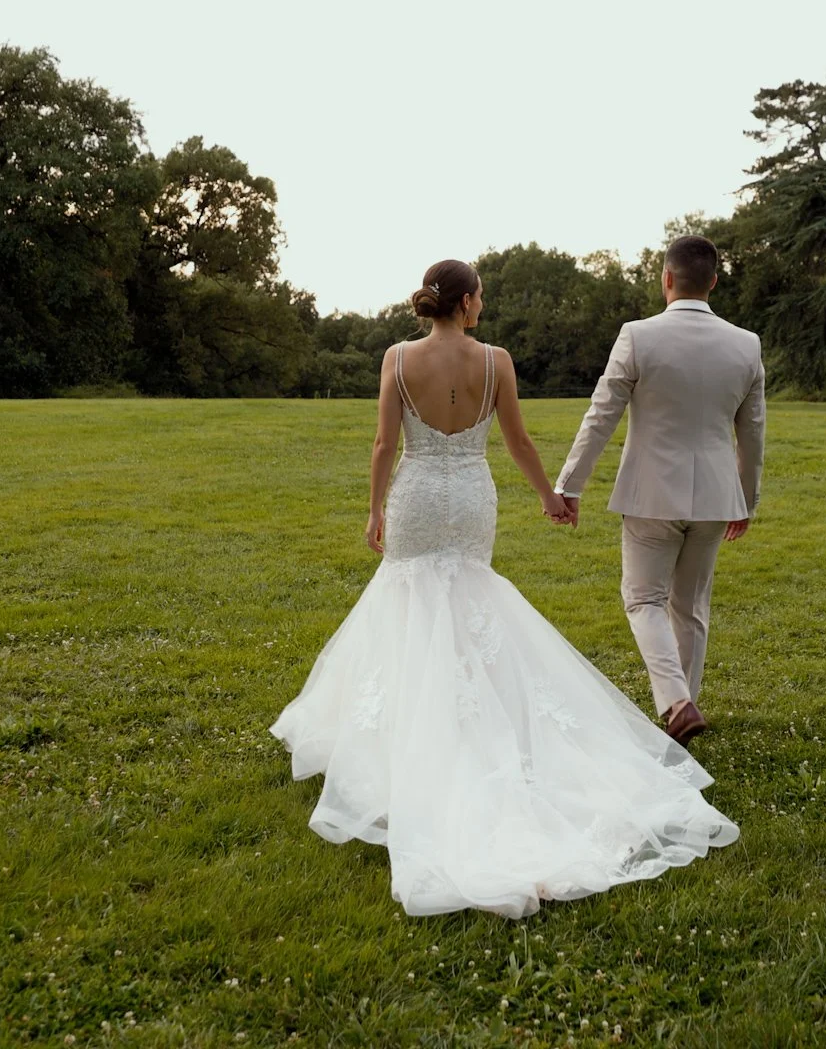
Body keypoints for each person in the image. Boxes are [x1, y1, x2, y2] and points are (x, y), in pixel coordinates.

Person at [269, 258, 738, 919]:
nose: (483, 306)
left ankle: (409, 733)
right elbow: (515, 439)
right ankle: (481, 721)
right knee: (468, 600)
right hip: (469, 500)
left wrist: (376, 509)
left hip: (419, 497)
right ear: (463, 303)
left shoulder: (398, 359)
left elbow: (383, 444)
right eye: (480, 297)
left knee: (408, 601)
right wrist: (550, 496)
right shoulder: (497, 362)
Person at [555, 235, 766, 746]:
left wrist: (570, 484)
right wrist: (747, 500)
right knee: (690, 606)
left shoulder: (637, 335)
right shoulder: (747, 344)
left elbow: (601, 414)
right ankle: (682, 714)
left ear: (666, 279)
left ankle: (676, 703)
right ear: (713, 282)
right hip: (717, 498)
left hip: (651, 494)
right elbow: (753, 431)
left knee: (643, 599)